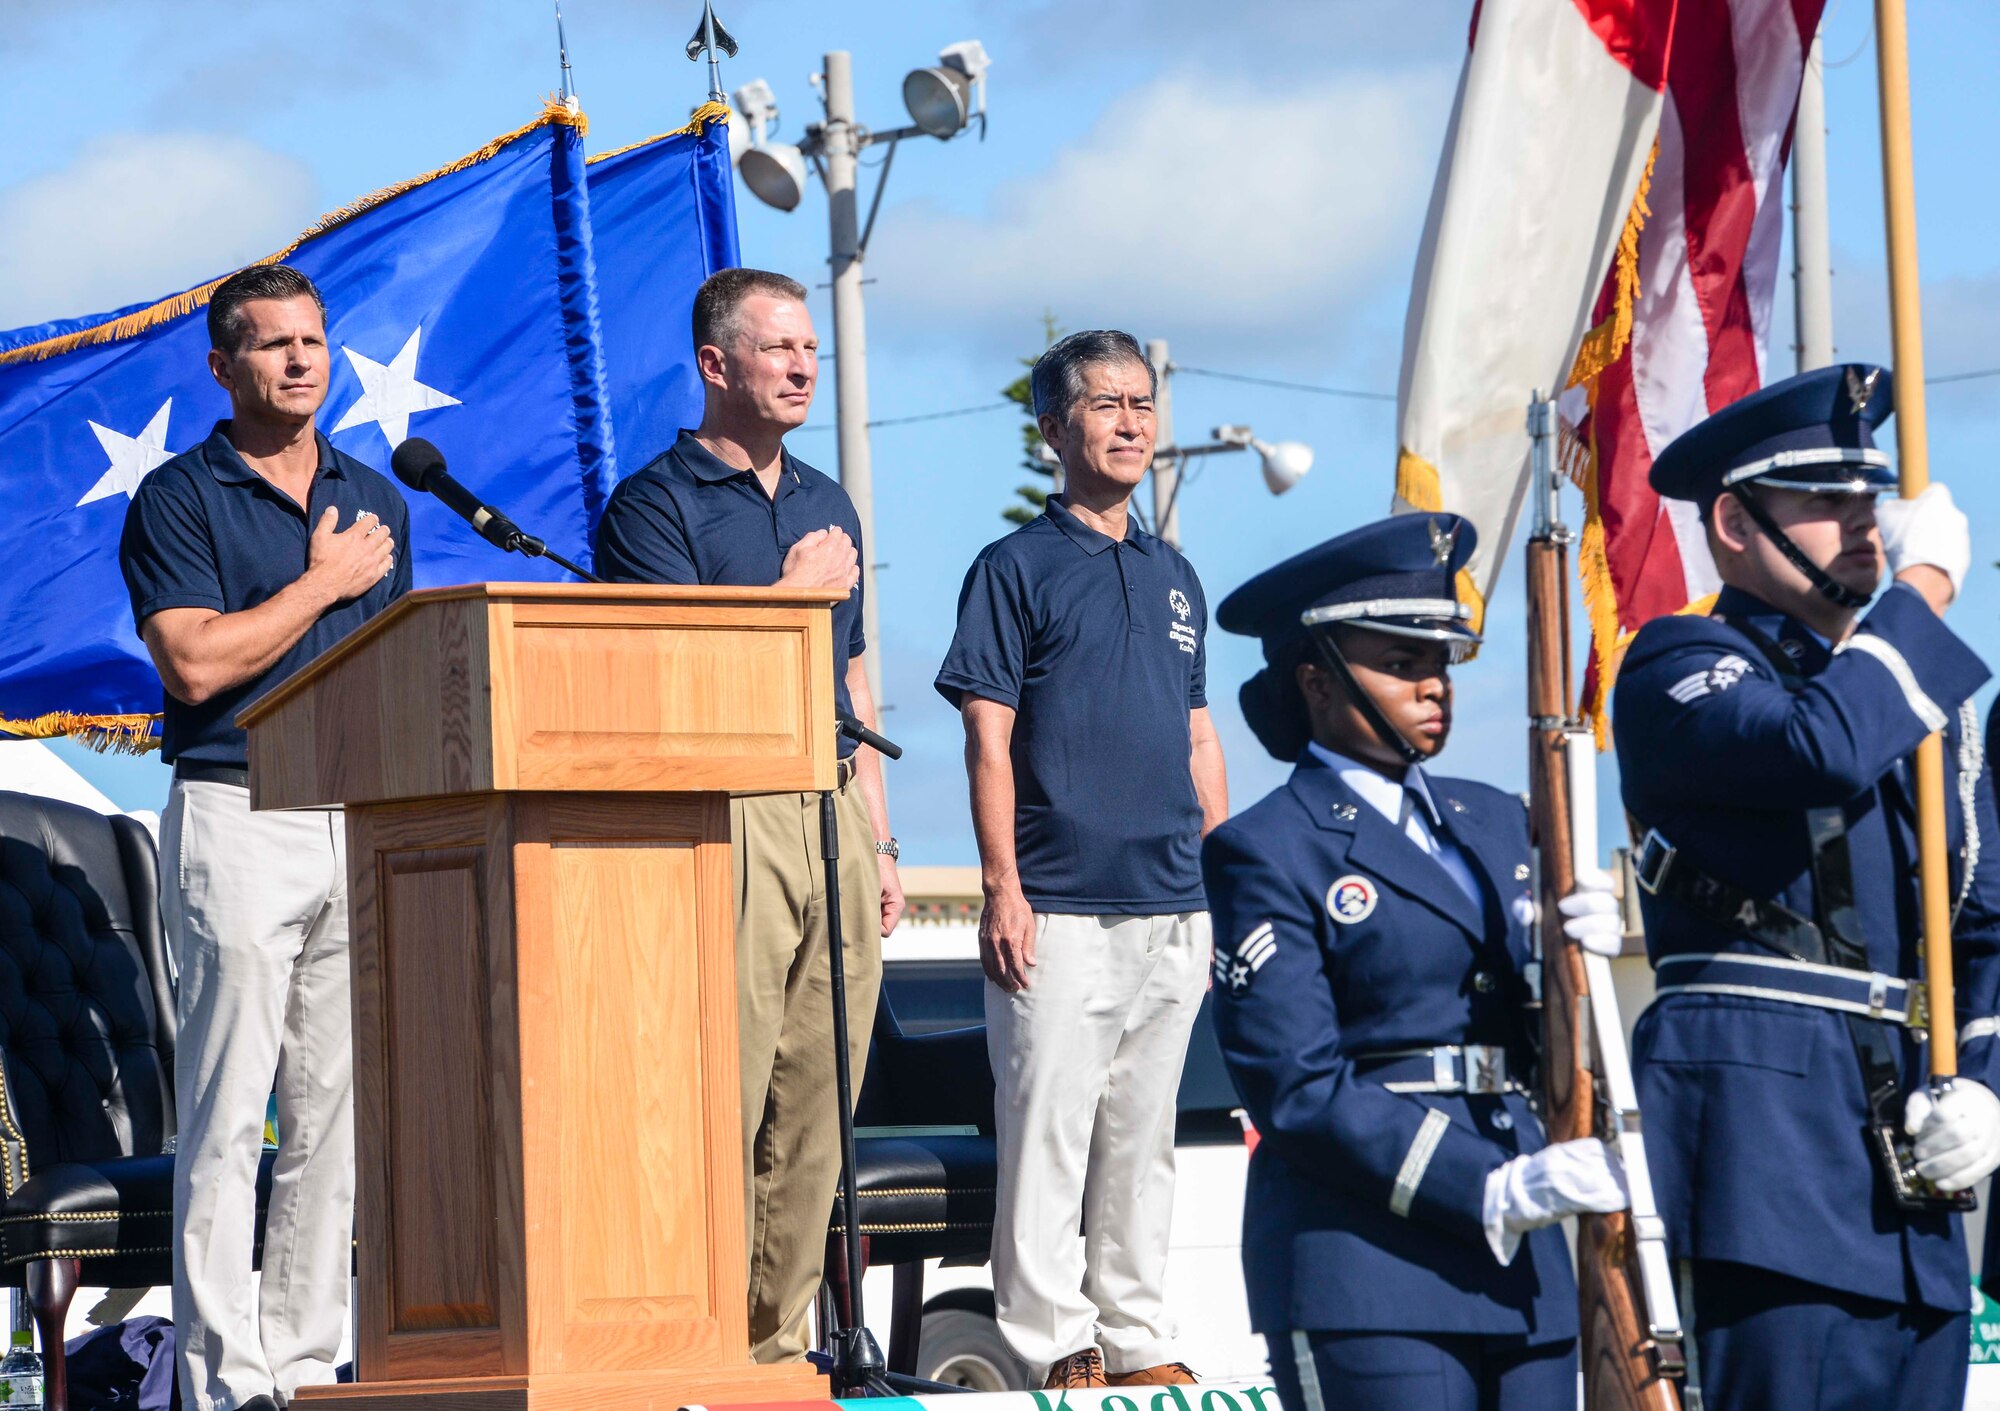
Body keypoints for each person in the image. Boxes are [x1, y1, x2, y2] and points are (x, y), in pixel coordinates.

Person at [1613, 363, 2000, 1411]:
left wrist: (1983, 1080)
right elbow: (1814, 749)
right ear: (1733, 522)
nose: (1860, 525)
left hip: (1909, 1188)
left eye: (1866, 499)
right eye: (1822, 501)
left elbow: (1976, 925)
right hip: (1766, 1168)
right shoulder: (1680, 662)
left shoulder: (1908, 701)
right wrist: (1921, 596)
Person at [1201, 513, 1627, 1411]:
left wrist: (1577, 957)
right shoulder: (1268, 847)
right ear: (1316, 680)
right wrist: (1488, 1185)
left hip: (1527, 1266)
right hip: (1369, 1263)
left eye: (1440, 659)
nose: (1434, 683)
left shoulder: (1500, 822)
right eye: (1400, 661)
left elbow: (1536, 1032)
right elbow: (1298, 1085)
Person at [592, 267, 903, 1364]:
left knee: (821, 1095)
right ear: (716, 365)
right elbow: (664, 674)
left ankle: (770, 1351)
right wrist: (792, 594)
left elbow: (852, 670)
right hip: (725, 809)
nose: (803, 366)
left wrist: (881, 833)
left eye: (810, 348)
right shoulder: (652, 504)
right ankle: (692, 1327)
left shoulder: (828, 500)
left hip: (831, 802)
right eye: (778, 349)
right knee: (723, 1083)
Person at [119, 263, 411, 1411]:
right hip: (237, 811)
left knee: (334, 1116)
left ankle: (298, 1370)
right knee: (232, 1114)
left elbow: (392, 667)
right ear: (222, 367)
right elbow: (193, 662)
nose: (301, 360)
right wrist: (319, 582)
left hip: (359, 816)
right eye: (273, 344)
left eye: (313, 341)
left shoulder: (377, 496)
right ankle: (219, 1383)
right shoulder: (180, 498)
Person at [935, 329, 1228, 1390]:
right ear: (1052, 426)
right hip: (1053, 904)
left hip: (1172, 903)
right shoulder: (1012, 568)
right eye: (1103, 404)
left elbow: (1198, 735)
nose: (1130, 422)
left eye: (1142, 403)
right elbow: (985, 738)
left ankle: (1138, 1335)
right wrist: (1000, 885)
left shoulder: (1176, 573)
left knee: (1141, 1139)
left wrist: (1219, 879)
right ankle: (1051, 1337)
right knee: (1049, 1131)